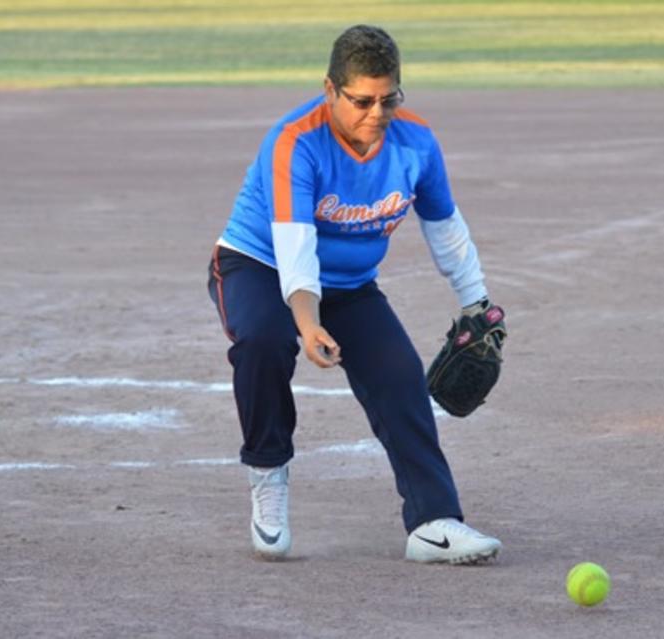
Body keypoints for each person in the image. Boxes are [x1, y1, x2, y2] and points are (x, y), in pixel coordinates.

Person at [207, 24, 502, 565]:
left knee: (399, 376)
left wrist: (476, 303)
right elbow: (294, 244)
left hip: (347, 285)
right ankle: (268, 472)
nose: (376, 113)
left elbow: (444, 226)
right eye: (362, 100)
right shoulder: (297, 140)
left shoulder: (415, 142)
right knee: (265, 341)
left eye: (388, 99)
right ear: (330, 90)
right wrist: (307, 320)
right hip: (260, 266)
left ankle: (433, 521)